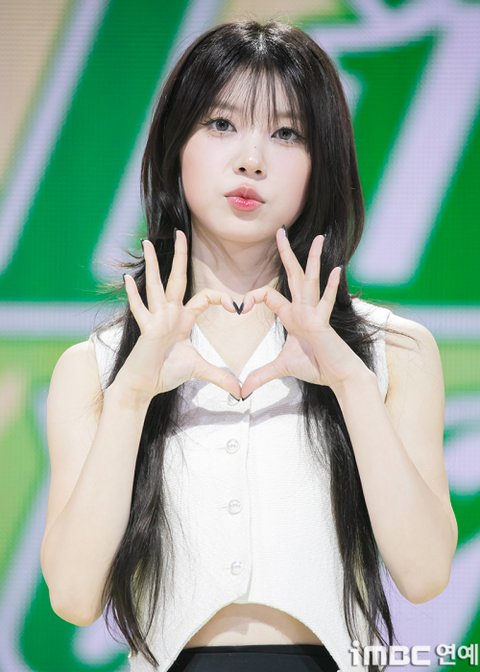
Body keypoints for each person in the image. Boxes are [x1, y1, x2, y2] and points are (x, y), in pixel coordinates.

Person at [40, 19, 458, 672]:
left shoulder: (394, 351)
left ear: (321, 163)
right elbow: (72, 596)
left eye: (287, 133)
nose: (252, 159)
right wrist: (130, 398)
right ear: (175, 147)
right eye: (221, 124)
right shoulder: (95, 369)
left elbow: (426, 573)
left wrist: (351, 383)